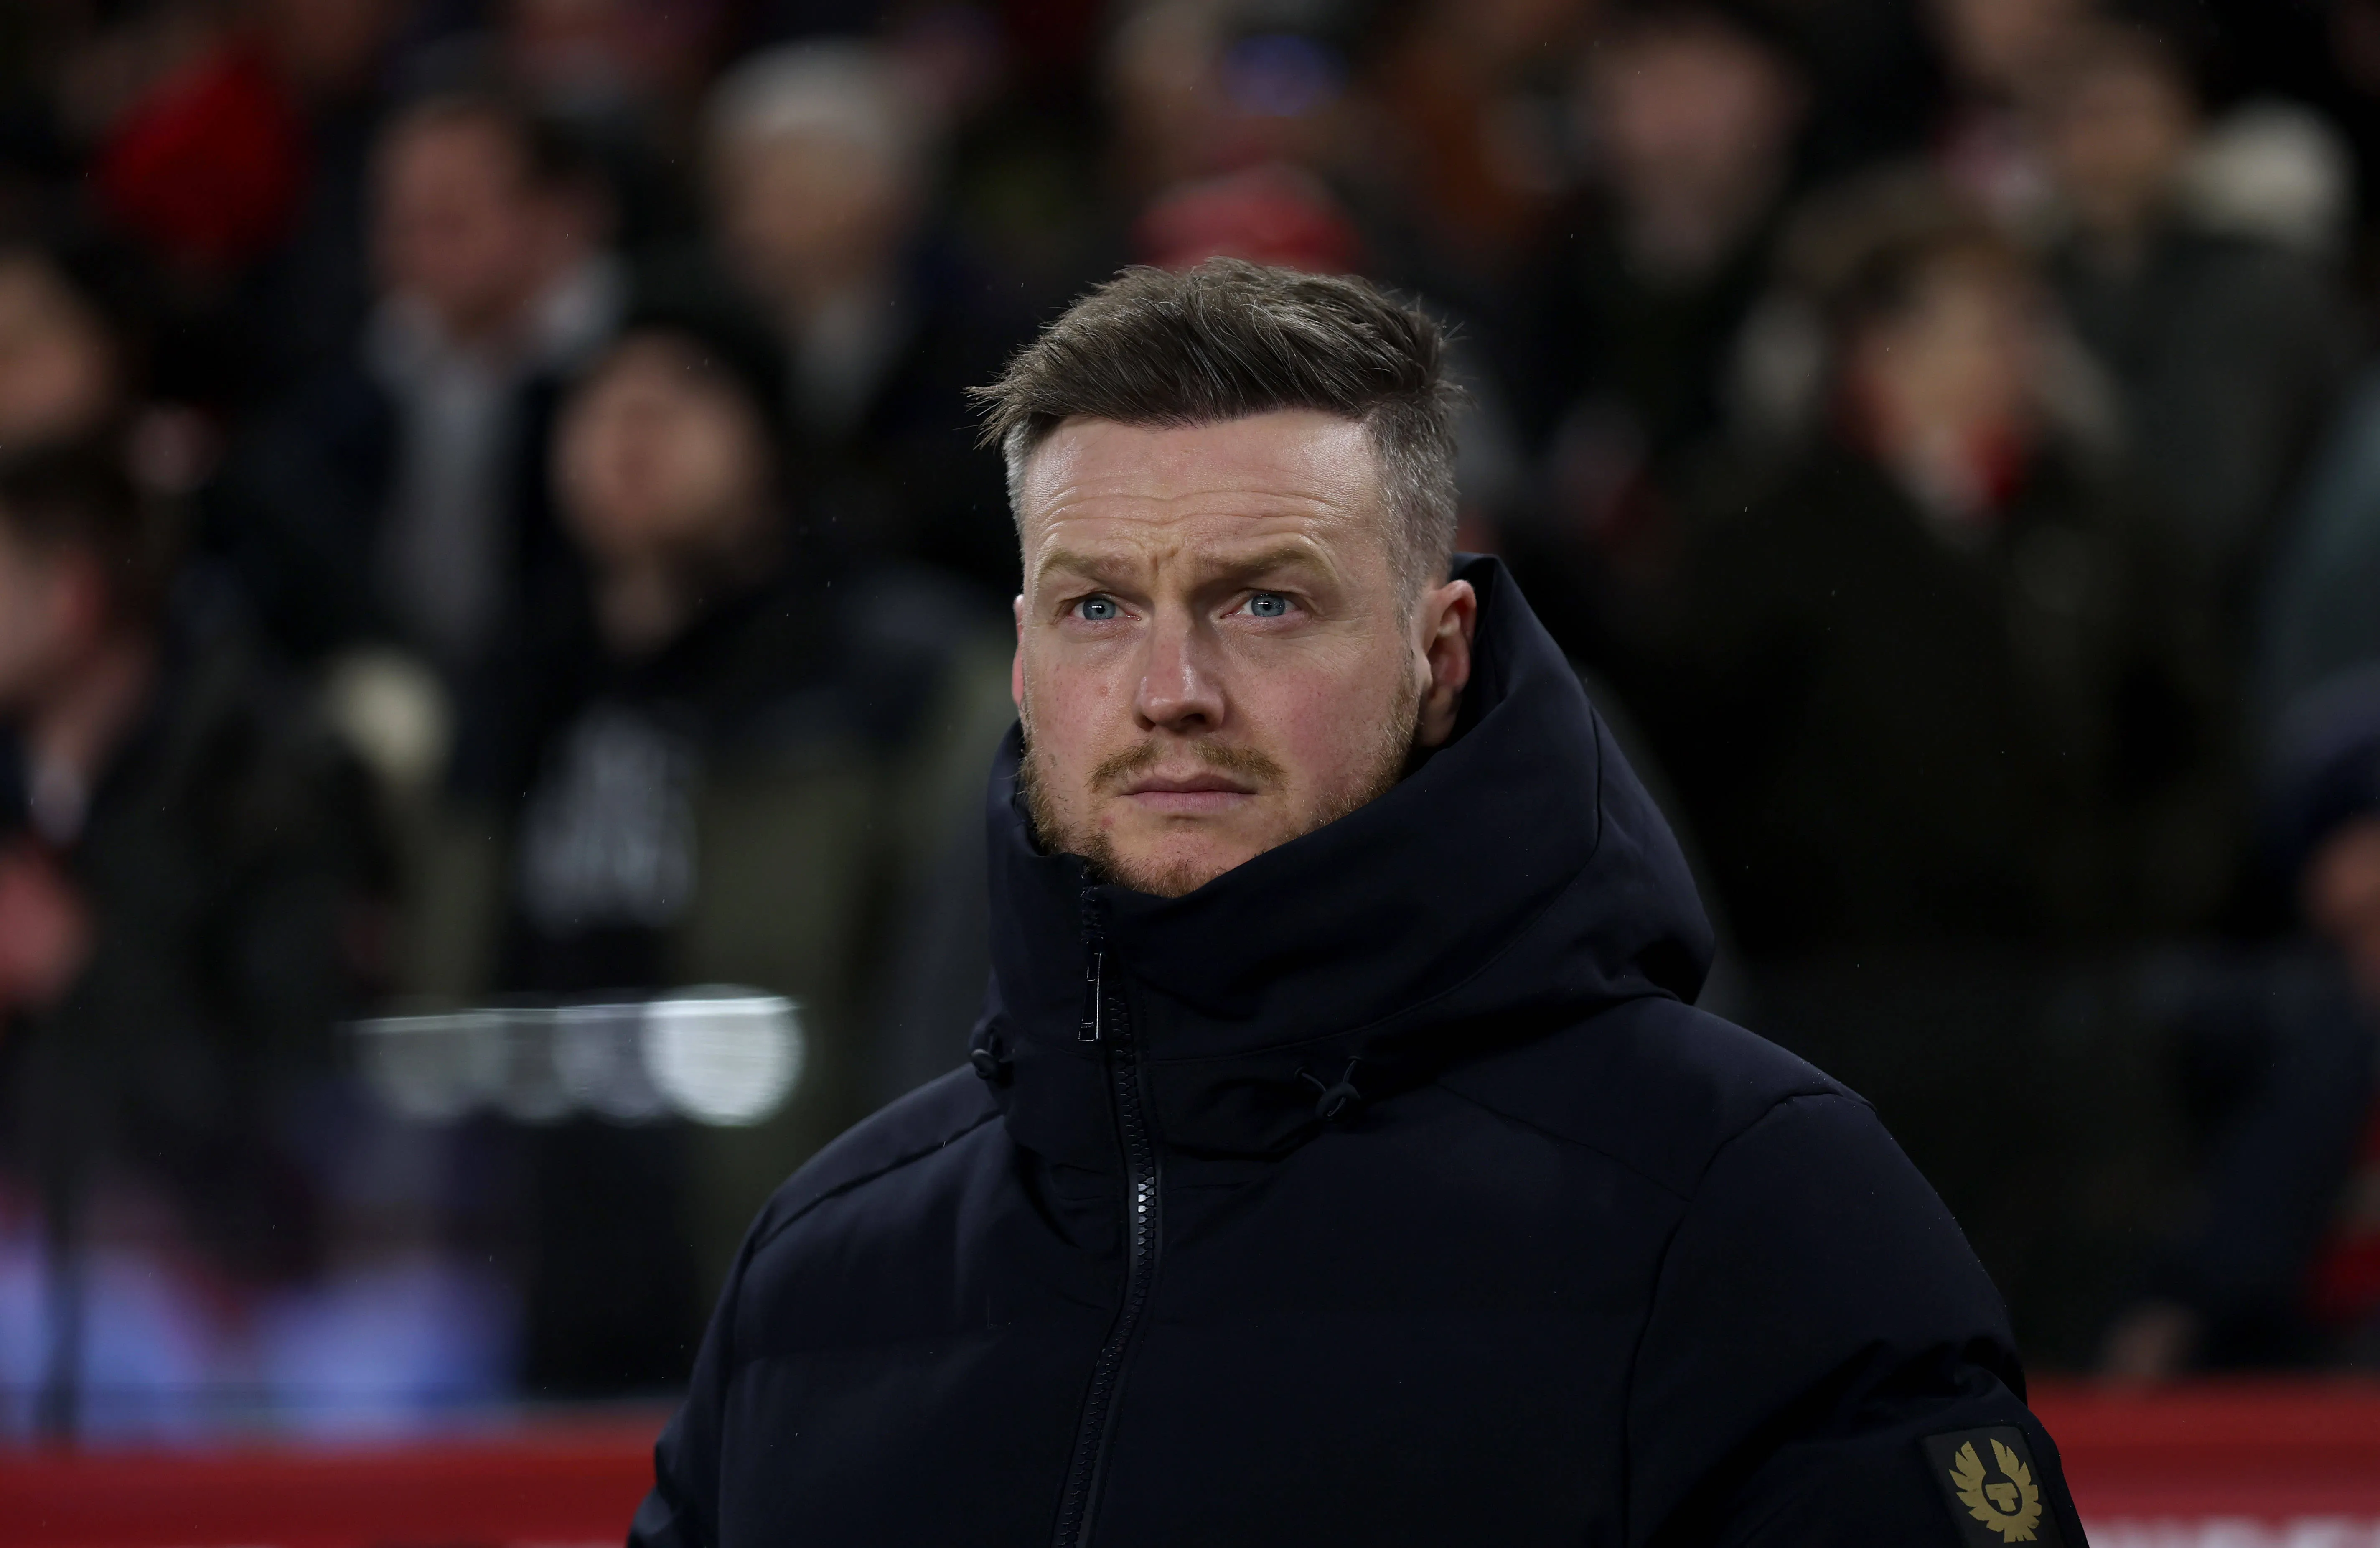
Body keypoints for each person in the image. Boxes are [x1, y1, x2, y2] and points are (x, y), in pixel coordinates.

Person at [631, 260, 2086, 1546]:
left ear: (1438, 649)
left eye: (1264, 601)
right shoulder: (816, 1274)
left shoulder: (1751, 1203)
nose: (1170, 690)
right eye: (1097, 608)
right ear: (1020, 659)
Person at [451, 299, 1012, 1392]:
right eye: (600, 399)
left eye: (686, 394)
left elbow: (945, 1020)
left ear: (774, 446)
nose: (633, 427)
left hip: (801, 1286)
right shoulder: (514, 691)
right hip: (527, 1297)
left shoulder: (892, 682)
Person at [0, 440, 386, 1433]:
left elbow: (299, 1110)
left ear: (73, 595)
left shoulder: (265, 789)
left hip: (226, 1349)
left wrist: (84, 969)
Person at [216, 92, 626, 688]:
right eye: (398, 221)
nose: (417, 249)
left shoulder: (629, 364)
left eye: (451, 218)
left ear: (556, 216)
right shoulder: (356, 380)